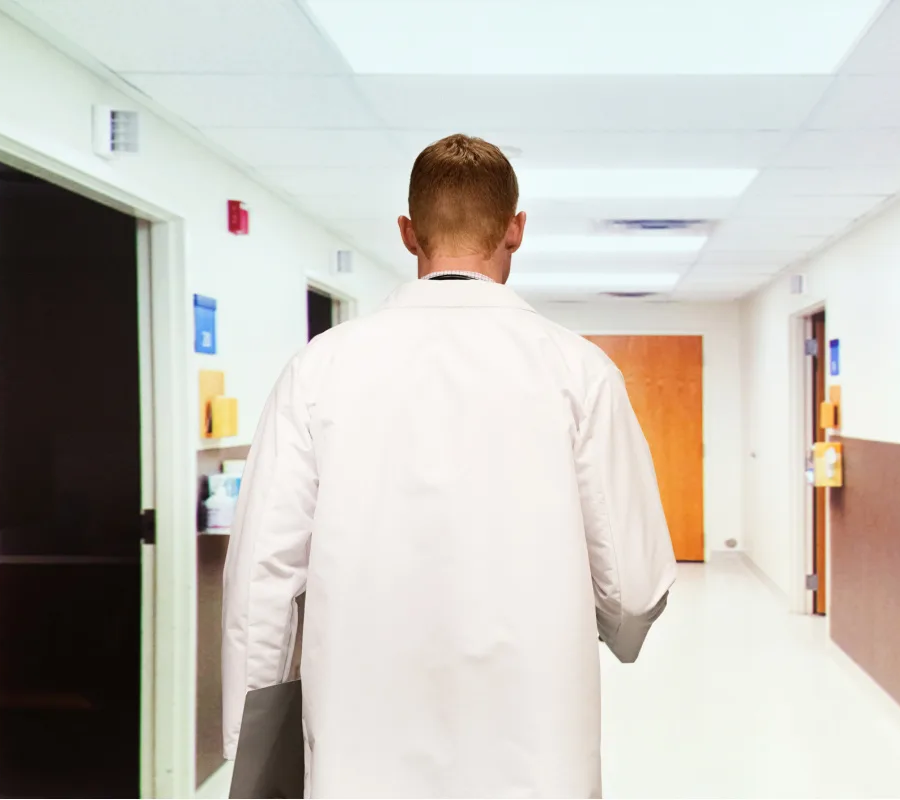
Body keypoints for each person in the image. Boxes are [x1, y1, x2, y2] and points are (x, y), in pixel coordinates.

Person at [221, 134, 677, 798]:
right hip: (536, 754)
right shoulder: (579, 371)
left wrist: (253, 756)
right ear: (516, 229)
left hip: (361, 754)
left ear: (408, 233)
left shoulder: (319, 369)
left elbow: (262, 582)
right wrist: (618, 634)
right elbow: (633, 589)